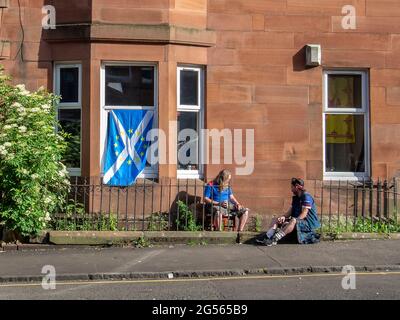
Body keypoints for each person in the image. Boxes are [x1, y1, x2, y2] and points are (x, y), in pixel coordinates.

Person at [257, 178, 321, 246]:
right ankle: (268, 236)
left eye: (292, 187)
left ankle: (274, 239)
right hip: (298, 221)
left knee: (293, 220)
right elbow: (290, 212)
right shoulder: (296, 198)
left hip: (308, 224)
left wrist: (293, 221)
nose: (291, 189)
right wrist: (283, 217)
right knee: (276, 219)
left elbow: (304, 214)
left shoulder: (306, 197)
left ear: (296, 186)